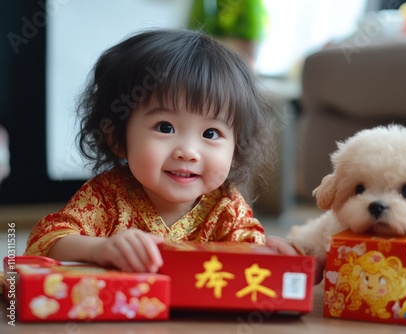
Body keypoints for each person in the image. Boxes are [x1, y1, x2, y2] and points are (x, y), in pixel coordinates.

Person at [25, 29, 300, 274]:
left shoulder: (225, 206)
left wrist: (271, 256)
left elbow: (248, 253)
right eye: (165, 127)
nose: (188, 152)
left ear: (236, 146)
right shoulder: (107, 196)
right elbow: (45, 241)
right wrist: (100, 248)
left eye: (210, 134)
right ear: (117, 137)